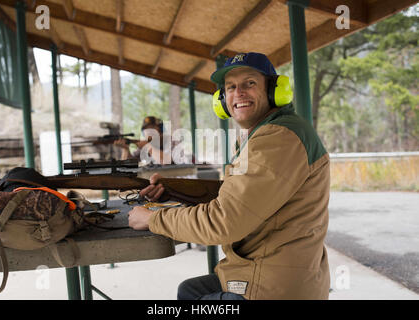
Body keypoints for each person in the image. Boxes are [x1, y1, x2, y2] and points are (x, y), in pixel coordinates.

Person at [128, 52, 330, 300]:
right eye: (231, 87)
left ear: (273, 90)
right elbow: (241, 193)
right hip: (271, 267)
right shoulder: (268, 131)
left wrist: (154, 219)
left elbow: (225, 222)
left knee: (190, 296)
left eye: (250, 83)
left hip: (273, 285)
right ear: (222, 100)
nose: (239, 93)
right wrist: (173, 189)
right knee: (189, 290)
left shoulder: (277, 137)